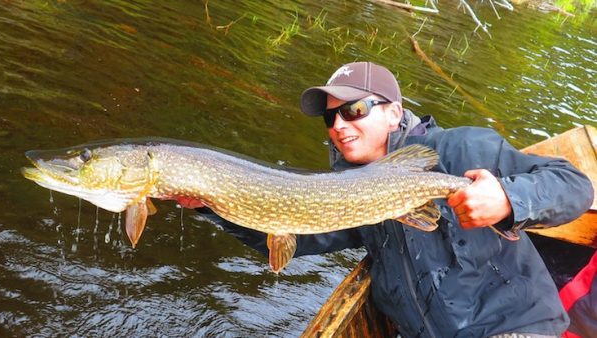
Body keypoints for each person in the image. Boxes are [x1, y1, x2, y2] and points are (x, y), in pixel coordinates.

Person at [182, 61, 594, 337]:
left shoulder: (463, 148)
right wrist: (213, 206)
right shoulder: (350, 188)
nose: (339, 125)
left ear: (395, 113)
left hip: (515, 328)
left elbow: (574, 185)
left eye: (355, 109)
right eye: (331, 117)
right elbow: (295, 236)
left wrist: (508, 198)